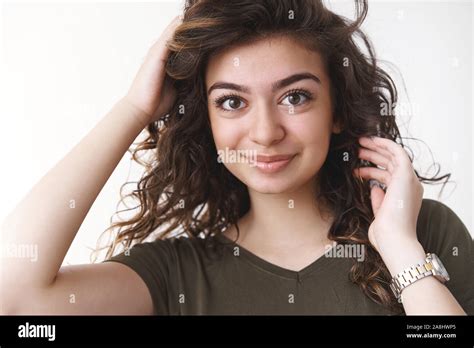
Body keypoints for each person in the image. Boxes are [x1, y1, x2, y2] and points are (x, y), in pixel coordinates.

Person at [1, 0, 473, 316]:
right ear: (206, 119)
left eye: (295, 97)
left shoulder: (422, 234)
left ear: (337, 109)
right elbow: (15, 297)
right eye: (231, 101)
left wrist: (400, 249)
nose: (266, 132)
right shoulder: (177, 276)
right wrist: (135, 108)